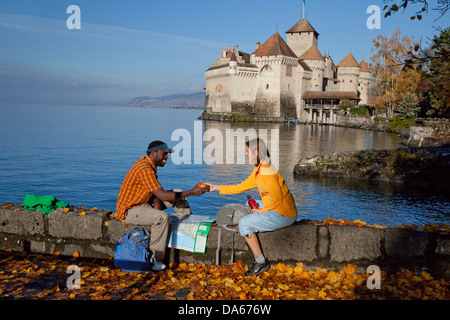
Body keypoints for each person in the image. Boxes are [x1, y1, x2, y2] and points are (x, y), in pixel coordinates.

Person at [206, 138, 297, 276]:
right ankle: (255, 217)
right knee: (252, 202)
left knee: (244, 224)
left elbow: (277, 198)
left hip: (283, 214)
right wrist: (217, 187)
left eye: (248, 151)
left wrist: (261, 211)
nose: (246, 154)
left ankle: (260, 262)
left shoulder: (266, 172)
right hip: (282, 208)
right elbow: (242, 186)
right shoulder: (260, 168)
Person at [116, 140, 209, 271]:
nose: (166, 157)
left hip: (144, 204)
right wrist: (192, 192)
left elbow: (155, 193)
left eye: (167, 154)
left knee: (177, 194)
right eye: (164, 153)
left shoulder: (148, 164)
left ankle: (189, 231)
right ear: (153, 153)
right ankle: (156, 259)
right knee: (162, 217)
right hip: (130, 210)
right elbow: (163, 195)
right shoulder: (144, 168)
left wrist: (157, 203)